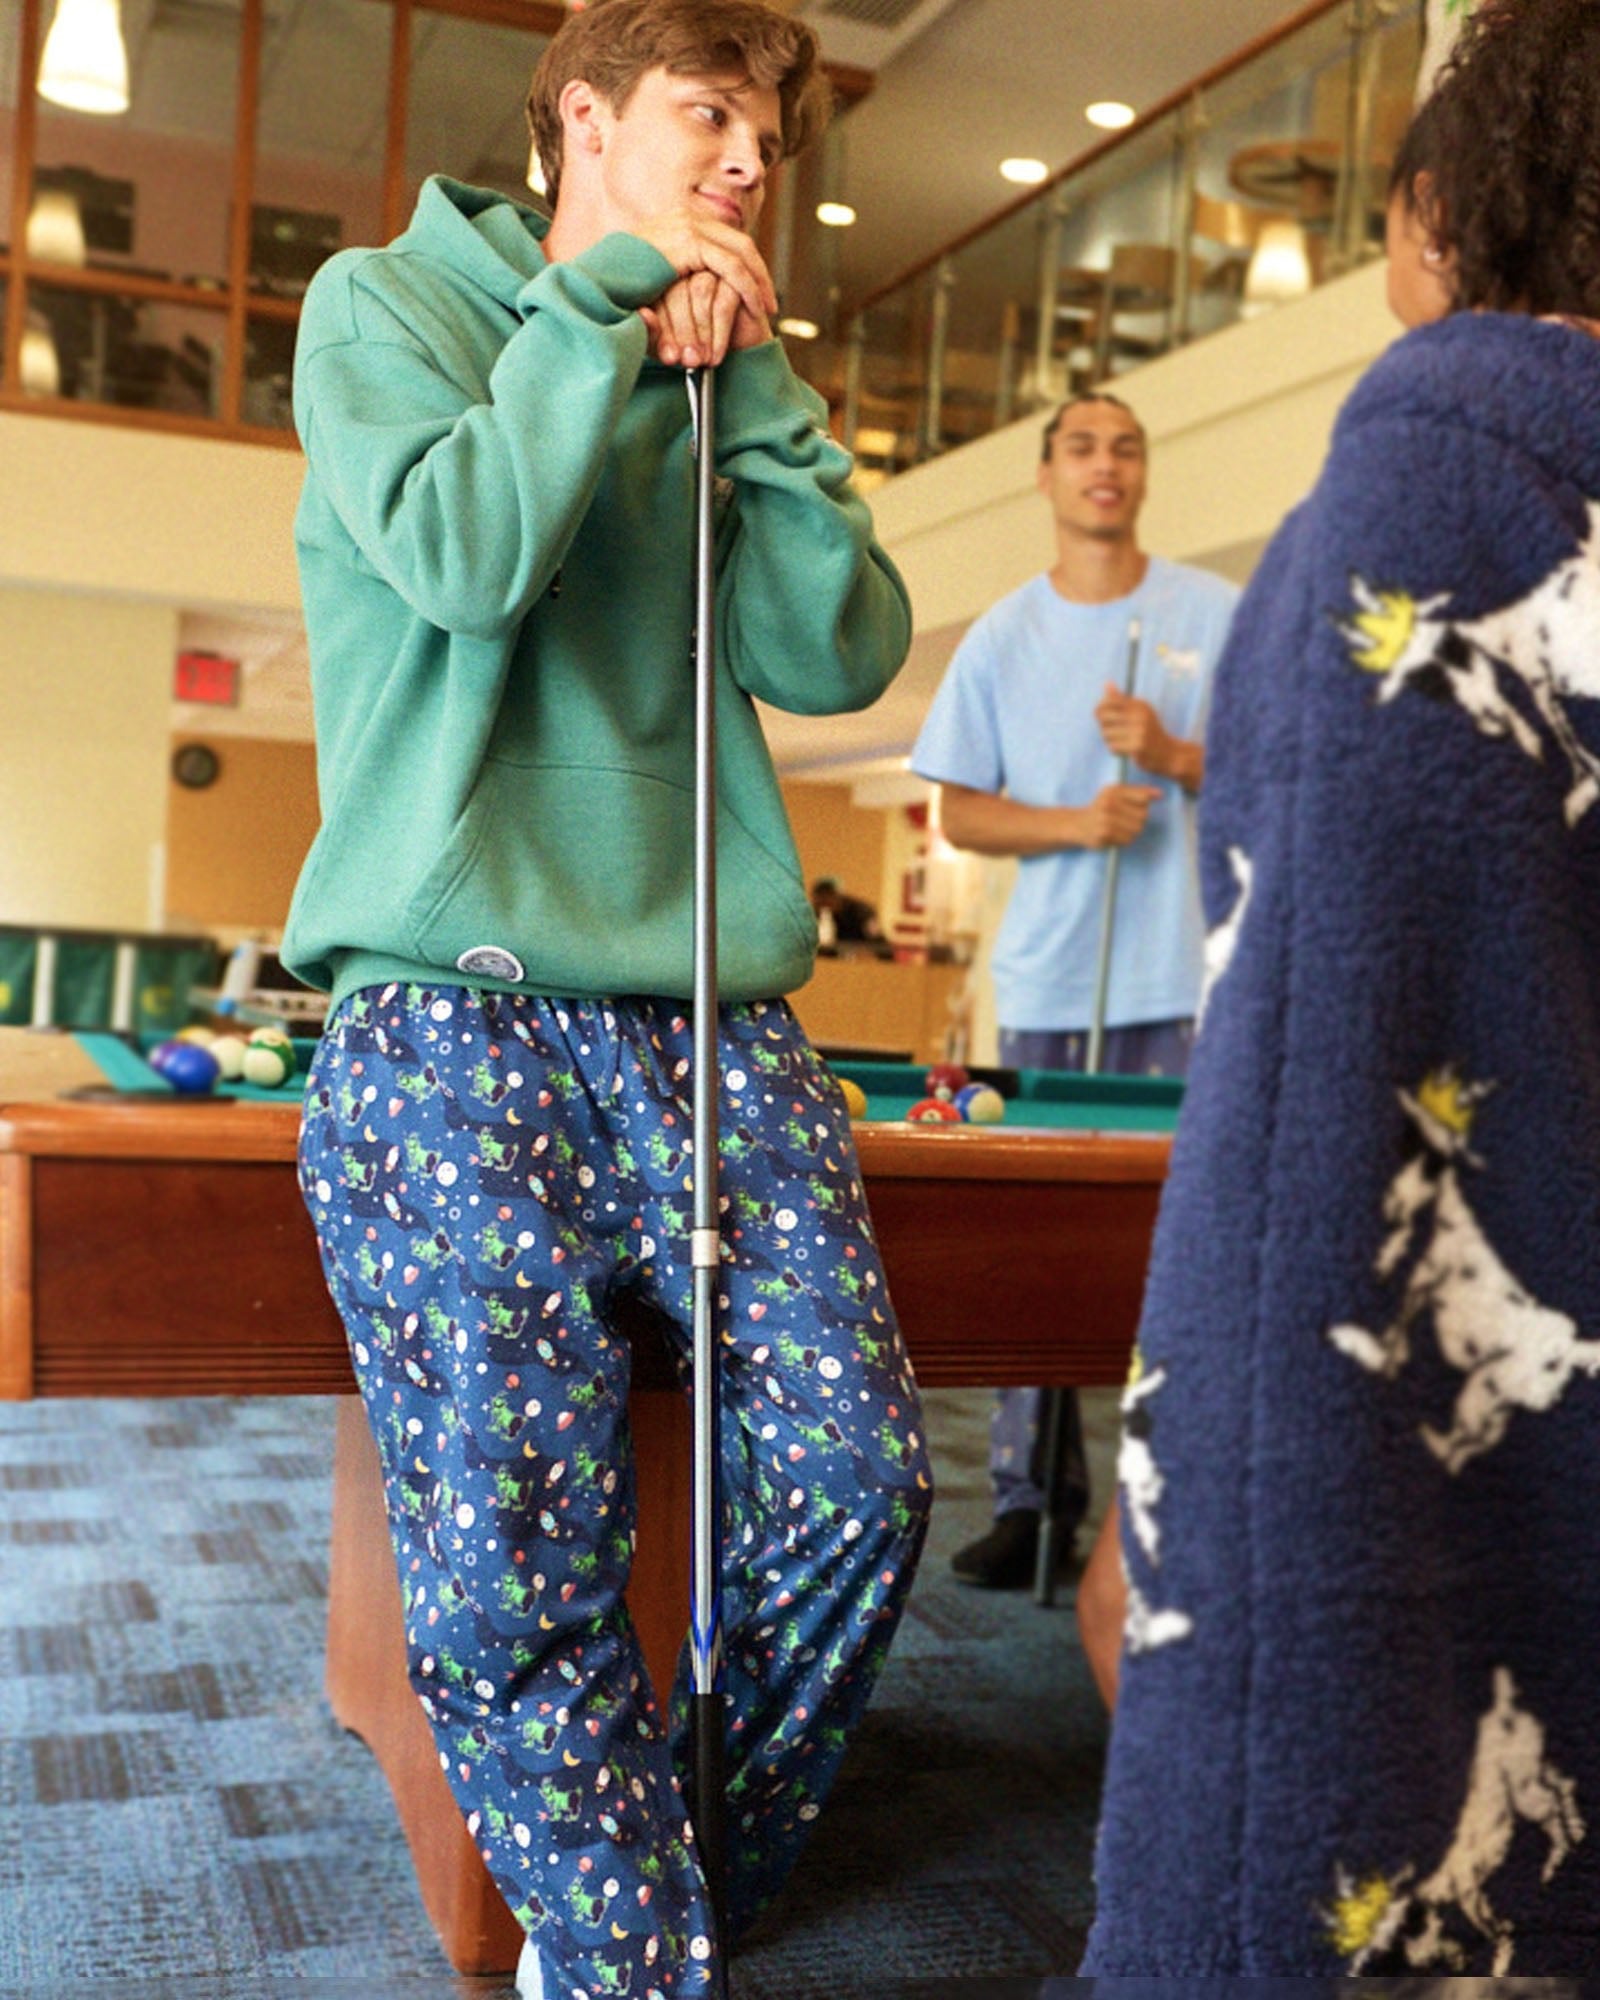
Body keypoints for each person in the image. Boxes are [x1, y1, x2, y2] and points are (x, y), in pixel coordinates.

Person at [280, 6, 933, 1996]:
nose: (748, 160)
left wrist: (757, 394)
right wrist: (594, 318)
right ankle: (628, 1946)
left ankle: (664, 1879)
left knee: (861, 1482)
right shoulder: (386, 304)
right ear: (582, 117)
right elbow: (466, 555)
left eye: (769, 136)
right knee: (512, 1544)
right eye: (705, 114)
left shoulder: (727, 365)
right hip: (442, 1011)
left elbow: (838, 650)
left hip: (709, 1018)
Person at [1082, 0, 1600, 1973]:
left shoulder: (1412, 510)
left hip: (1418, 1426)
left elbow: (1319, 1094)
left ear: (1437, 219)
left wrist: (1183, 1512)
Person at [910, 393, 1237, 1588]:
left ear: (1145, 473)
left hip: (1190, 978)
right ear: (1045, 474)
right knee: (1036, 1253)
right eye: (1082, 446)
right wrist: (1076, 821)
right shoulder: (1003, 634)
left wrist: (1173, 755)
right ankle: (1030, 1498)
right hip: (1052, 980)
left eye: (1126, 446)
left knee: (1187, 1247)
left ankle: (1183, 1491)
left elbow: (1283, 764)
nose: (1106, 464)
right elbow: (960, 810)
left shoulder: (1215, 612)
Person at [809, 874, 891, 953]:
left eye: (829, 896)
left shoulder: (861, 913)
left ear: (839, 897)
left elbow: (879, 943)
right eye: (821, 897)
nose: (825, 902)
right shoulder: (811, 914)